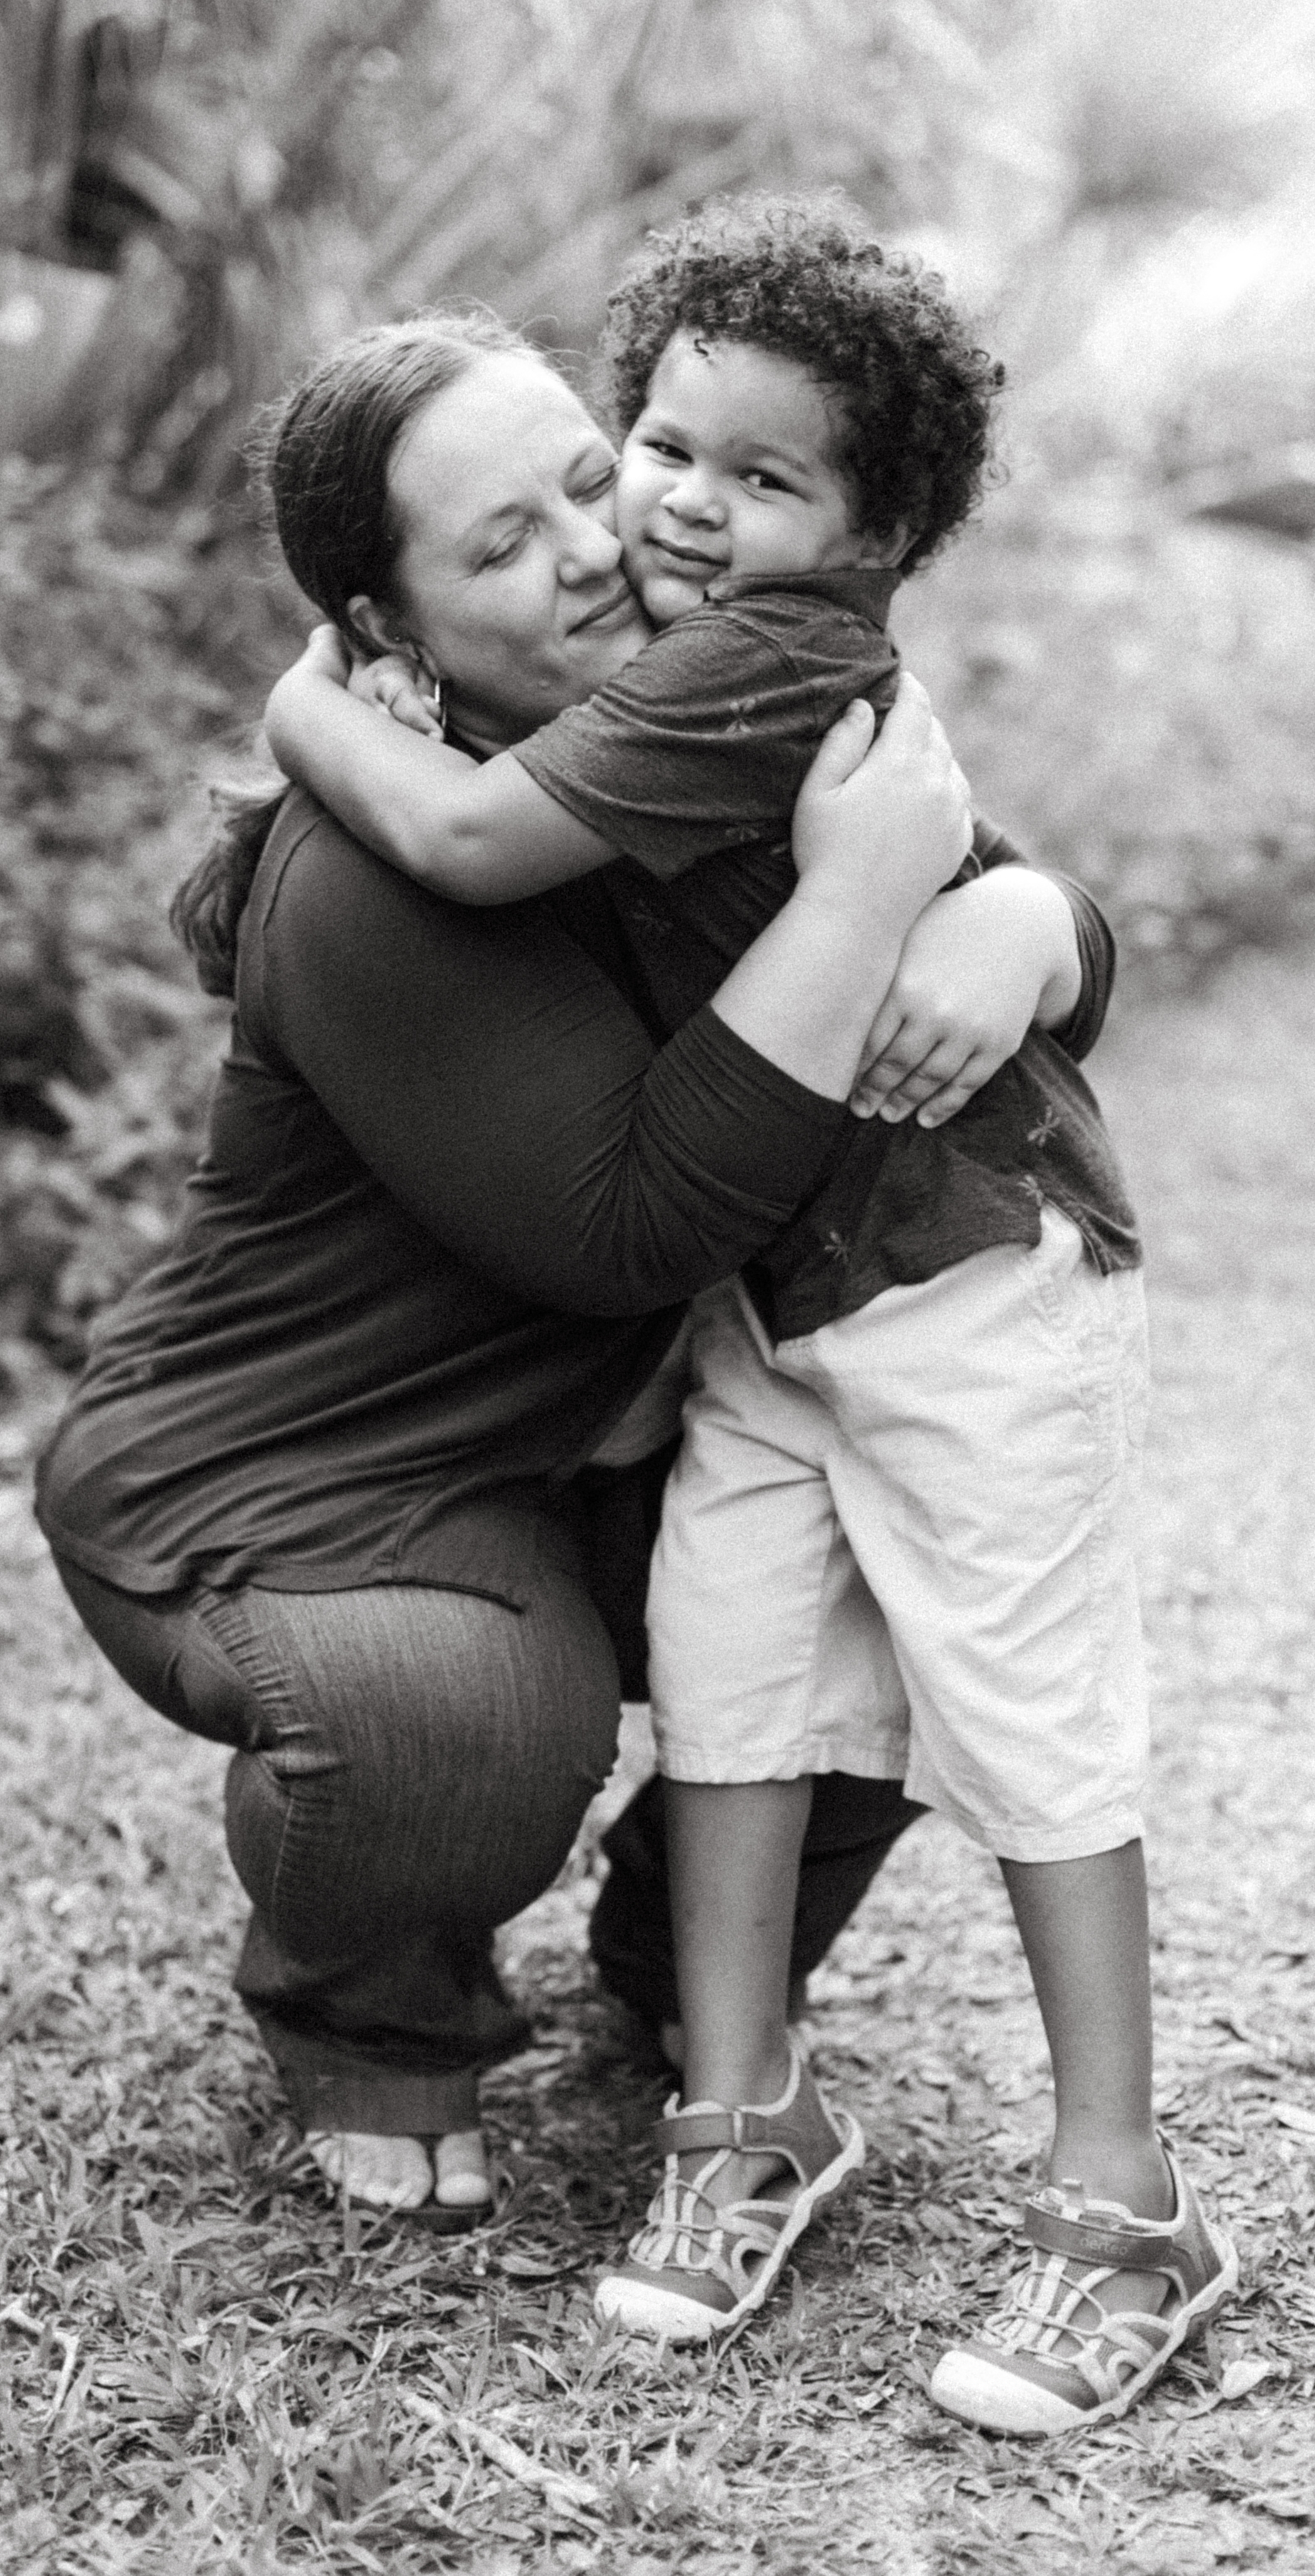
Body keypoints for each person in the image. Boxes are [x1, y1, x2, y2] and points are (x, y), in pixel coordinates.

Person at [262, 197, 1235, 2433]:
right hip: (775, 1306)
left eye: (758, 477)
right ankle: (738, 2116)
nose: (677, 506)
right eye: (660, 444)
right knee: (731, 1703)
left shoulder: (764, 660)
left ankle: (1127, 2199)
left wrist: (307, 708)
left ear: (878, 532)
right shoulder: (699, 656)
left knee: (1030, 1730)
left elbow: (494, 843)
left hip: (960, 1285)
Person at [32, 305, 1077, 2237]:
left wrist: (1021, 921)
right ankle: (367, 2011)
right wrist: (861, 897)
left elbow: (979, 859)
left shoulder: (707, 699)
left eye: (587, 481)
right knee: (456, 1730)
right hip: (301, 1478)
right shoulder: (370, 875)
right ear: (391, 630)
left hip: (579, 1454)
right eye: (499, 544)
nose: (596, 547)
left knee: (916, 1533)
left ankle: (691, 1973)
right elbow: (630, 1233)